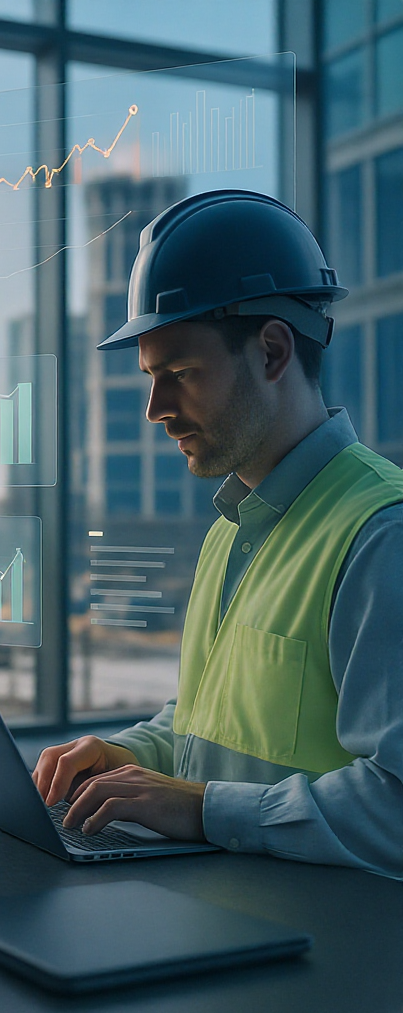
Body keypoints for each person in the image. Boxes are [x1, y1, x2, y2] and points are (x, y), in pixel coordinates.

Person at [33, 190, 403, 877]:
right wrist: (131, 757)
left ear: (270, 351)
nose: (155, 410)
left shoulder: (381, 536)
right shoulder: (231, 531)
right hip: (228, 925)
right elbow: (212, 730)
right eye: (150, 378)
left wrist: (203, 809)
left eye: (178, 375)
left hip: (329, 961)